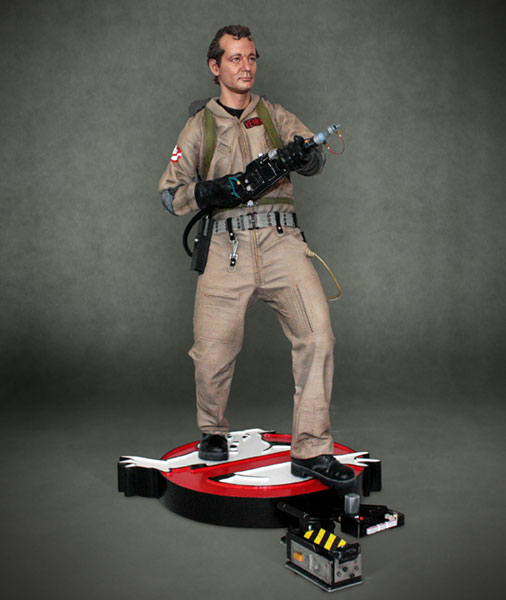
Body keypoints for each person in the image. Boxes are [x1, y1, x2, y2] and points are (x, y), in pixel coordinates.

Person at [158, 25, 355, 490]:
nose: (245, 67)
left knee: (318, 337)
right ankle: (213, 430)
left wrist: (305, 157)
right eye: (235, 58)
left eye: (251, 57)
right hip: (225, 247)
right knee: (212, 353)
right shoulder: (200, 125)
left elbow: (315, 157)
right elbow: (170, 194)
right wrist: (214, 190)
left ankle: (312, 449)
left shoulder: (273, 114)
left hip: (281, 241)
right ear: (215, 66)